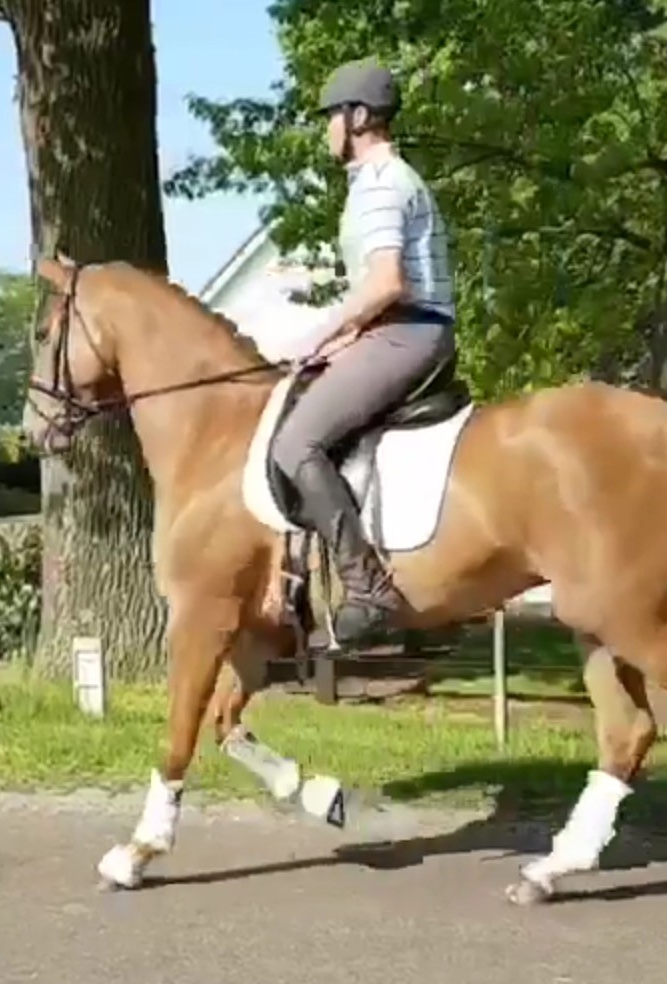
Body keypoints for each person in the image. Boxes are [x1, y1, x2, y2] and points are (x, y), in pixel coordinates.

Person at [270, 57, 458, 651]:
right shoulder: (379, 183)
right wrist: (349, 339)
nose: (326, 129)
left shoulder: (381, 185)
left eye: (330, 116)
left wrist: (320, 336)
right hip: (397, 330)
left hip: (408, 332)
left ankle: (370, 590)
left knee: (294, 443)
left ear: (357, 117)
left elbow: (386, 284)